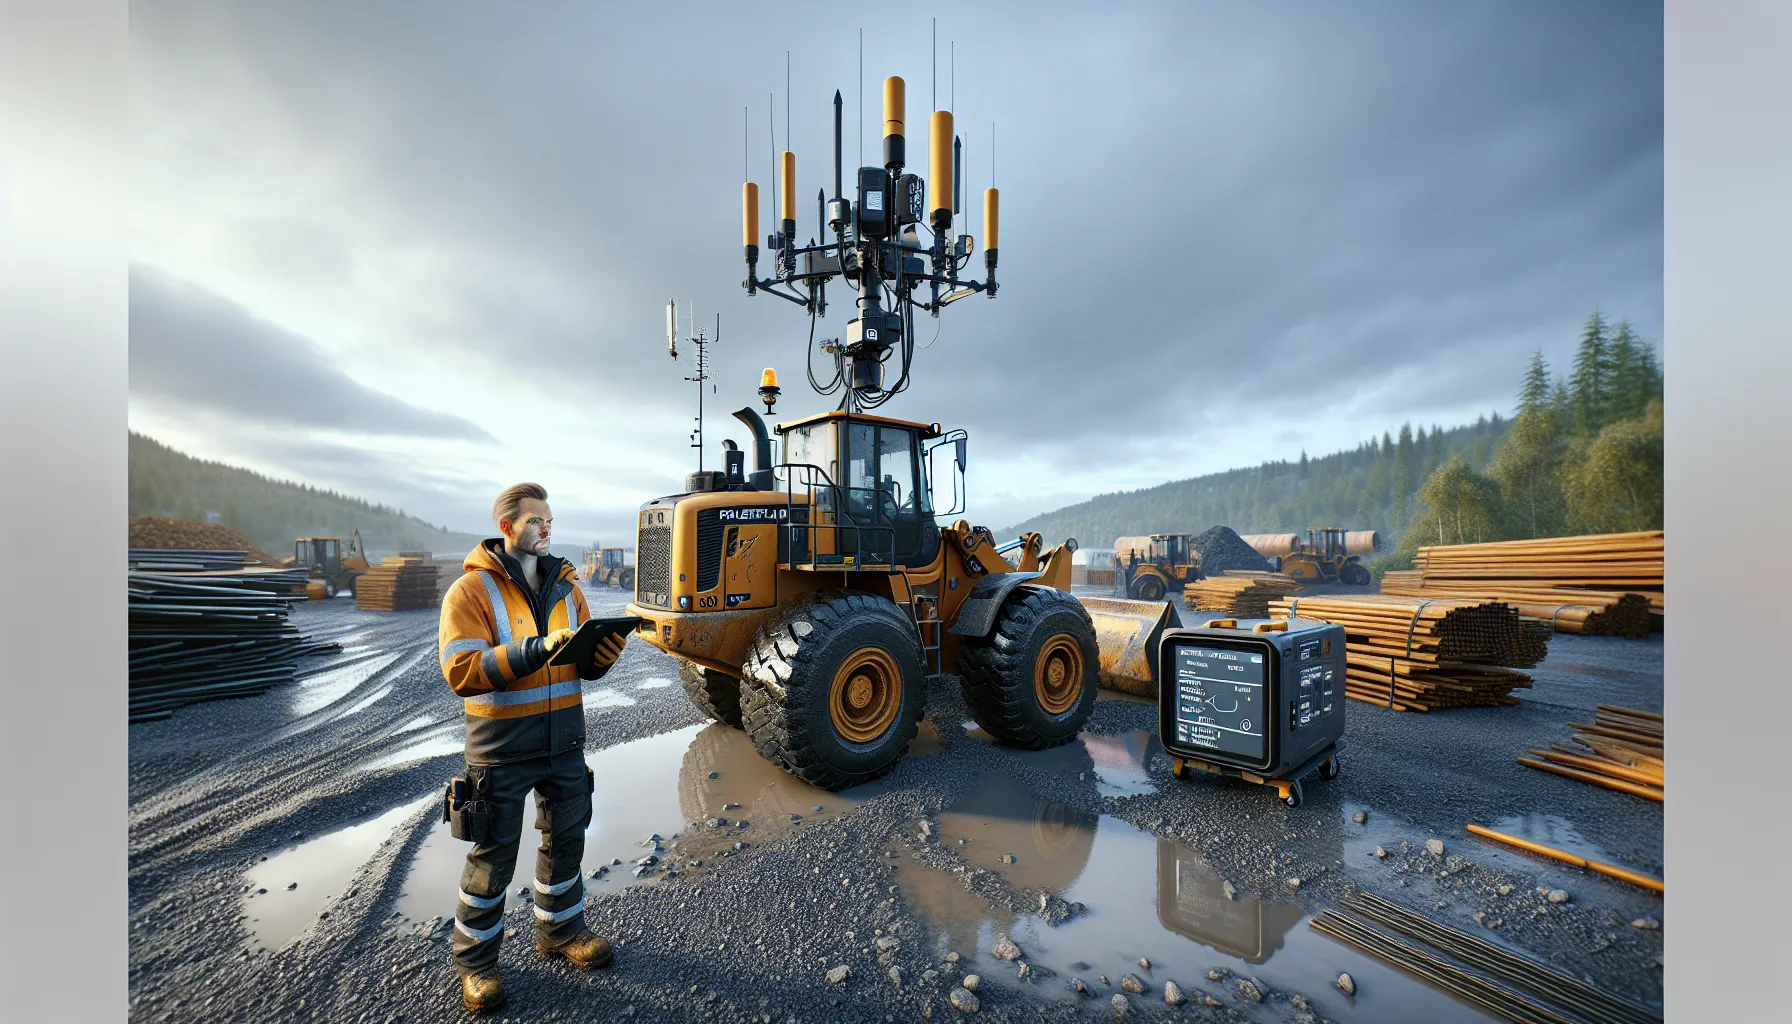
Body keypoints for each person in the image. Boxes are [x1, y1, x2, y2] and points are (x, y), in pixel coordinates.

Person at [437, 482, 628, 1012]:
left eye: (550, 520)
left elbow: (581, 662)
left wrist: (601, 656)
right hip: (500, 747)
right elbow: (462, 671)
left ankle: (561, 933)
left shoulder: (568, 588)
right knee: (493, 854)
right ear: (506, 528)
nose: (546, 529)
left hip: (564, 740)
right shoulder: (469, 593)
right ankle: (476, 965)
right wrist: (532, 651)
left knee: (567, 838)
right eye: (535, 521)